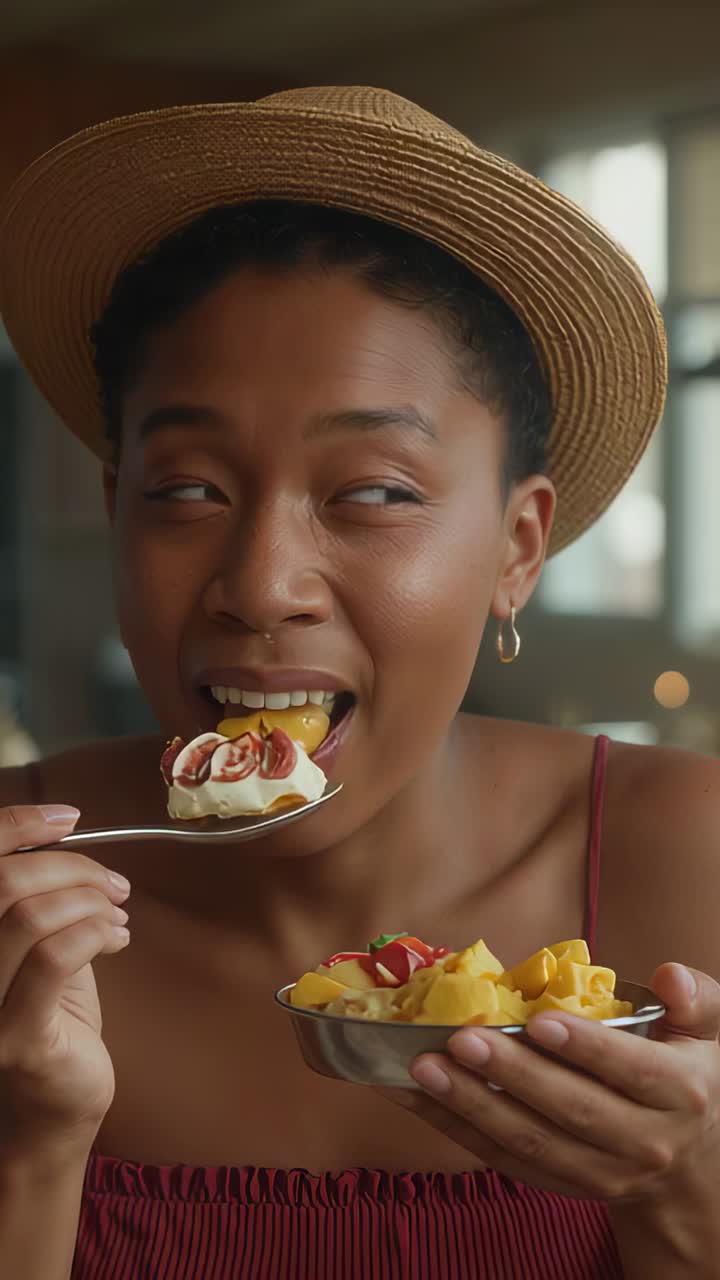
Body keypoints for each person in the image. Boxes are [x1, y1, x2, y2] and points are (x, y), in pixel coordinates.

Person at [0, 86, 717, 1280]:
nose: (261, 584)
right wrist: (26, 1148)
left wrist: (690, 1206)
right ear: (117, 502)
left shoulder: (690, 858)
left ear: (519, 547)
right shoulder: (13, 899)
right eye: (186, 490)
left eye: (374, 491)